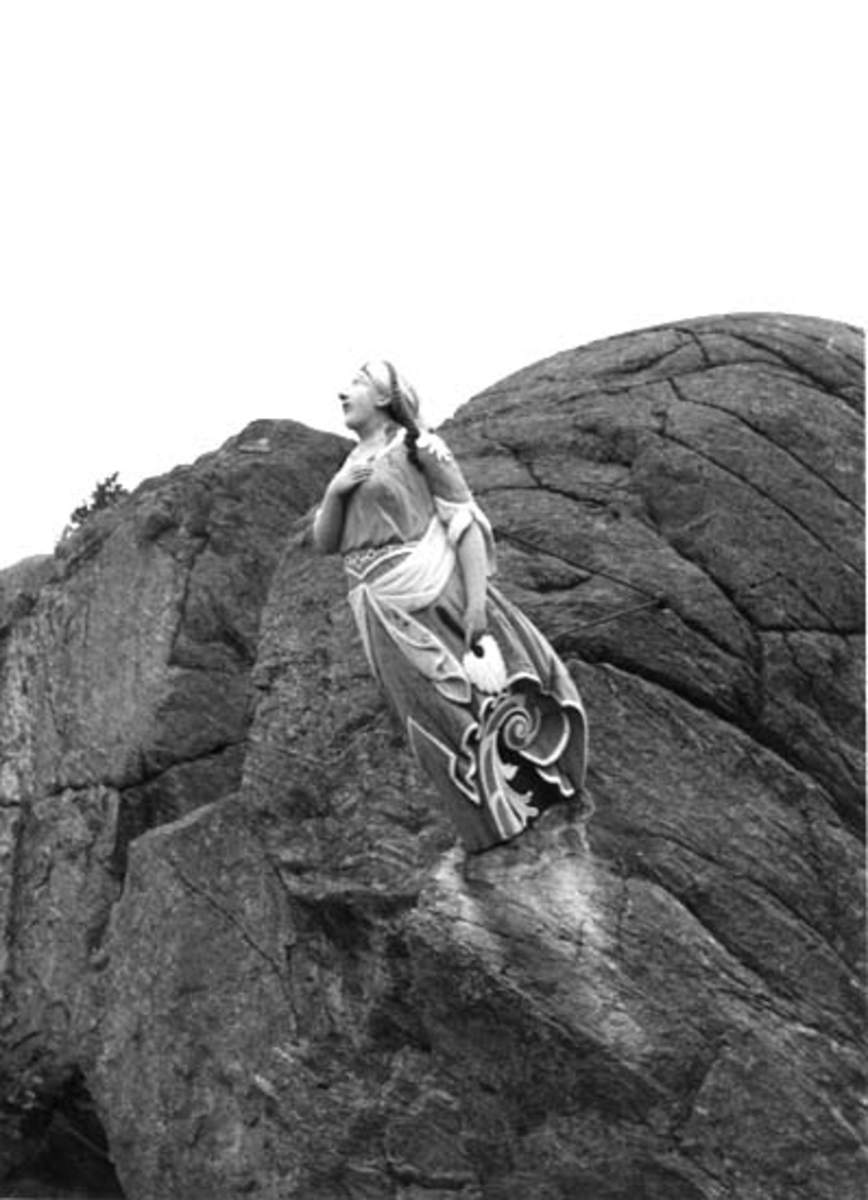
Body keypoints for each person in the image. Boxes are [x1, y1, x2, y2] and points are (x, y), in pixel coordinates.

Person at [313, 360, 588, 853]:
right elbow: (326, 541)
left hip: (430, 590)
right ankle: (482, 816)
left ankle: (527, 798)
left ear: (384, 397)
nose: (342, 392)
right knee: (425, 714)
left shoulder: (418, 446)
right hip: (376, 607)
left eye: (357, 382)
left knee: (476, 700)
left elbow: (465, 523)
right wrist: (337, 490)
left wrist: (476, 606)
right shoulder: (351, 463)